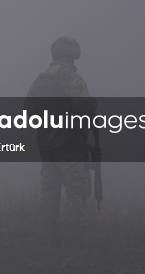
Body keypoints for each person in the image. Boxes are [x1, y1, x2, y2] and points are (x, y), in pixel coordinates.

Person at [25, 37, 97, 239]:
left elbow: (28, 109)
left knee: (49, 192)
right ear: (74, 55)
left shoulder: (41, 79)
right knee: (76, 192)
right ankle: (77, 239)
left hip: (47, 146)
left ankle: (47, 237)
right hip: (71, 145)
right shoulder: (72, 79)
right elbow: (86, 108)